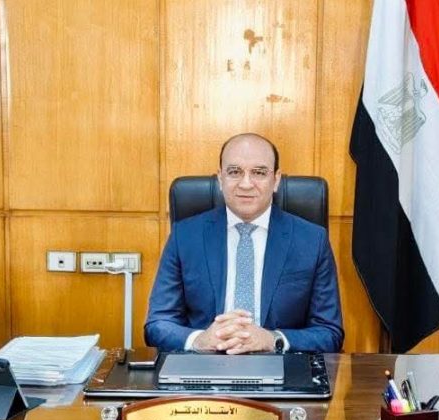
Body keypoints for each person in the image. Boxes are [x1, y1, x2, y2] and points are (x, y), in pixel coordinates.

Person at [144, 133, 344, 354]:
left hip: (279, 364)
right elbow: (158, 323)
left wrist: (273, 340)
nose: (246, 184)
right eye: (234, 172)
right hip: (203, 363)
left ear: (276, 180)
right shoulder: (184, 236)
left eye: (259, 172)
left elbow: (329, 332)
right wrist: (199, 340)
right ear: (220, 178)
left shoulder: (312, 240)